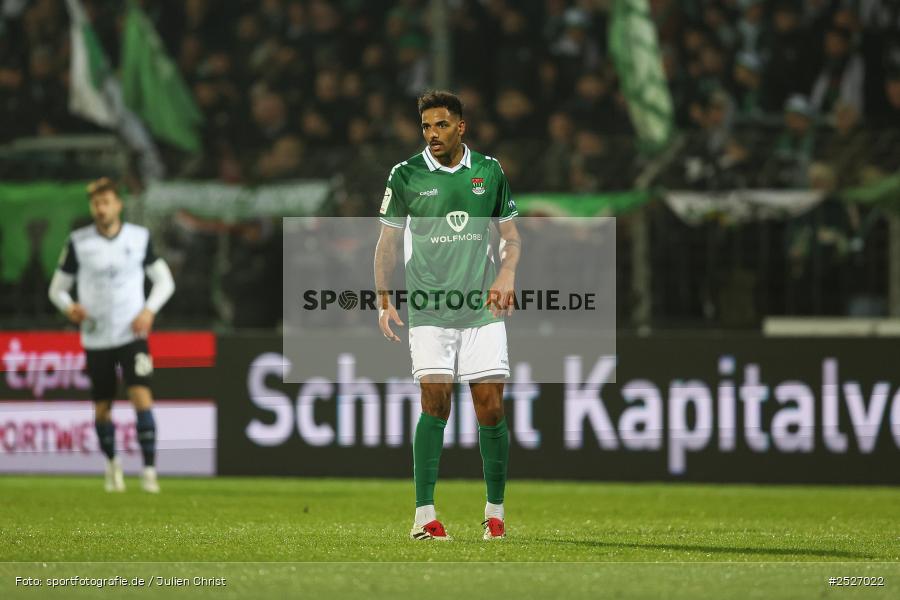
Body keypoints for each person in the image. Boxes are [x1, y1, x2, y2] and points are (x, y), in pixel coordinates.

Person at [373, 91, 521, 541]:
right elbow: (387, 245)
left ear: (461, 126)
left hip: (481, 309)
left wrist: (507, 275)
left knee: (490, 408)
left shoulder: (488, 171)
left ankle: (494, 512)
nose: (431, 134)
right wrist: (383, 297)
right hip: (429, 310)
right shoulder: (406, 175)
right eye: (425, 127)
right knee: (435, 402)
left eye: (440, 125)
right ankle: (424, 516)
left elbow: (511, 237)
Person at [48, 178, 175, 493]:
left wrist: (149, 311)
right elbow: (57, 290)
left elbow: (165, 282)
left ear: (118, 205)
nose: (101, 209)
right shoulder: (79, 242)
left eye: (106, 202)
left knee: (141, 396)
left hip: (131, 333)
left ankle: (148, 472)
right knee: (103, 405)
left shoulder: (139, 238)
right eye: (96, 203)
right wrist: (69, 307)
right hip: (96, 336)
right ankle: (112, 465)